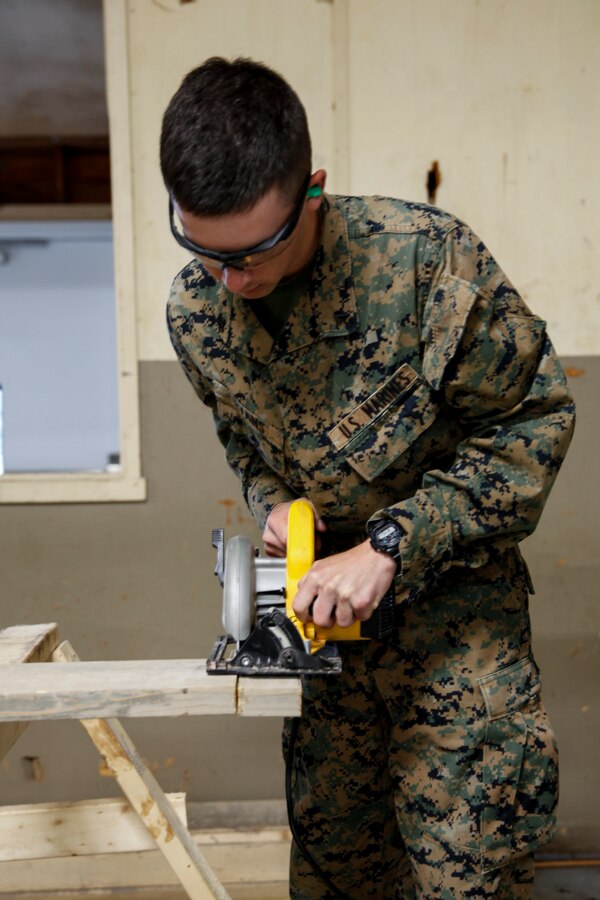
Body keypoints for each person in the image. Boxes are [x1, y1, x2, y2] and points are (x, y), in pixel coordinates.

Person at [160, 57, 575, 899]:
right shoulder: (195, 313)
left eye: (255, 252)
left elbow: (532, 426)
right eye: (205, 252)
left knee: (470, 880)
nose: (232, 282)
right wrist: (275, 504)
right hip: (324, 657)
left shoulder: (428, 267)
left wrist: (390, 542)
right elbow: (243, 438)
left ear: (311, 190)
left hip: (457, 643)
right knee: (337, 880)